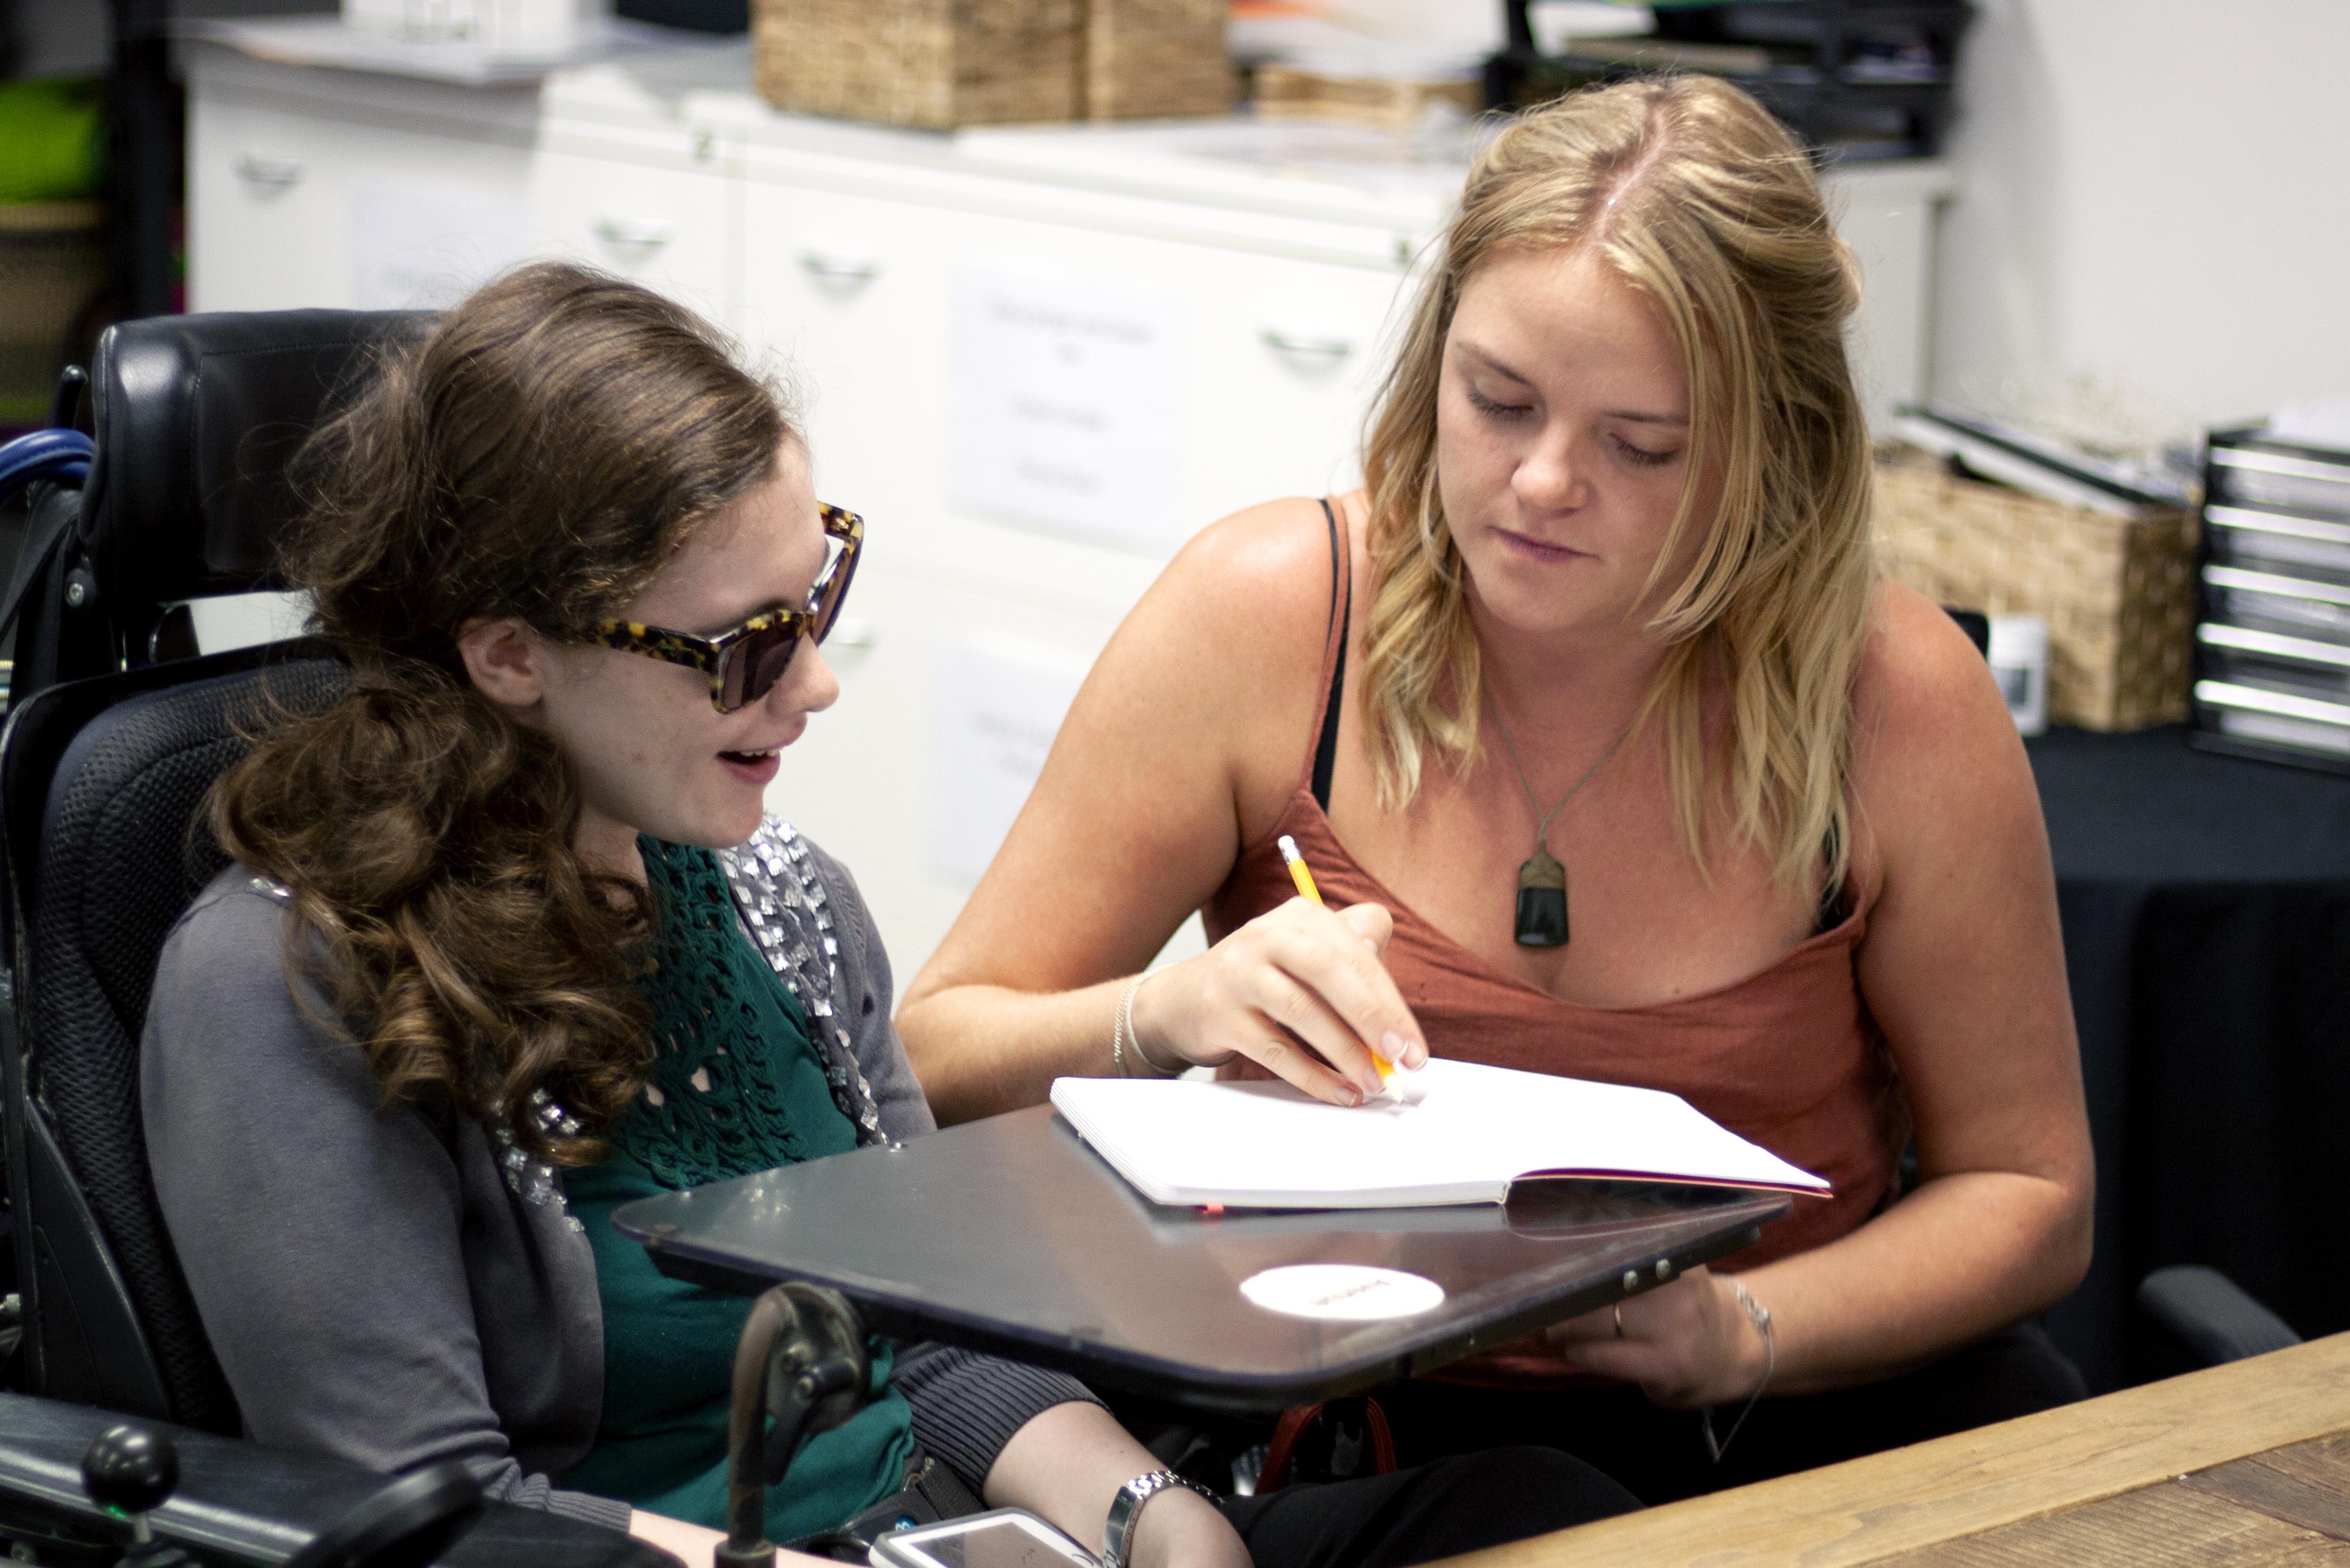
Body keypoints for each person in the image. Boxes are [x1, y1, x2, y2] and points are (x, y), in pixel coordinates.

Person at [141, 262, 1637, 1567]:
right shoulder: (293, 986)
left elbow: (925, 1330)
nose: (814, 687)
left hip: (927, 1535)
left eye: (817, 605)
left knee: (1543, 1504)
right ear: (510, 656)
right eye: (740, 651)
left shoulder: (784, 900)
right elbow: (431, 1513)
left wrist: (1155, 1519)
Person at [896, 75, 2095, 1503]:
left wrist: (1744, 1332)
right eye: (1498, 401)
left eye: (1639, 445)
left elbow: (2030, 1193)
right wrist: (1159, 1018)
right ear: (1433, 362)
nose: (1538, 482)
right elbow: (926, 1069)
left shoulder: (1890, 702)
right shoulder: (1275, 617)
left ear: (1772, 449)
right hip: (1349, 1427)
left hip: (1764, 1413)